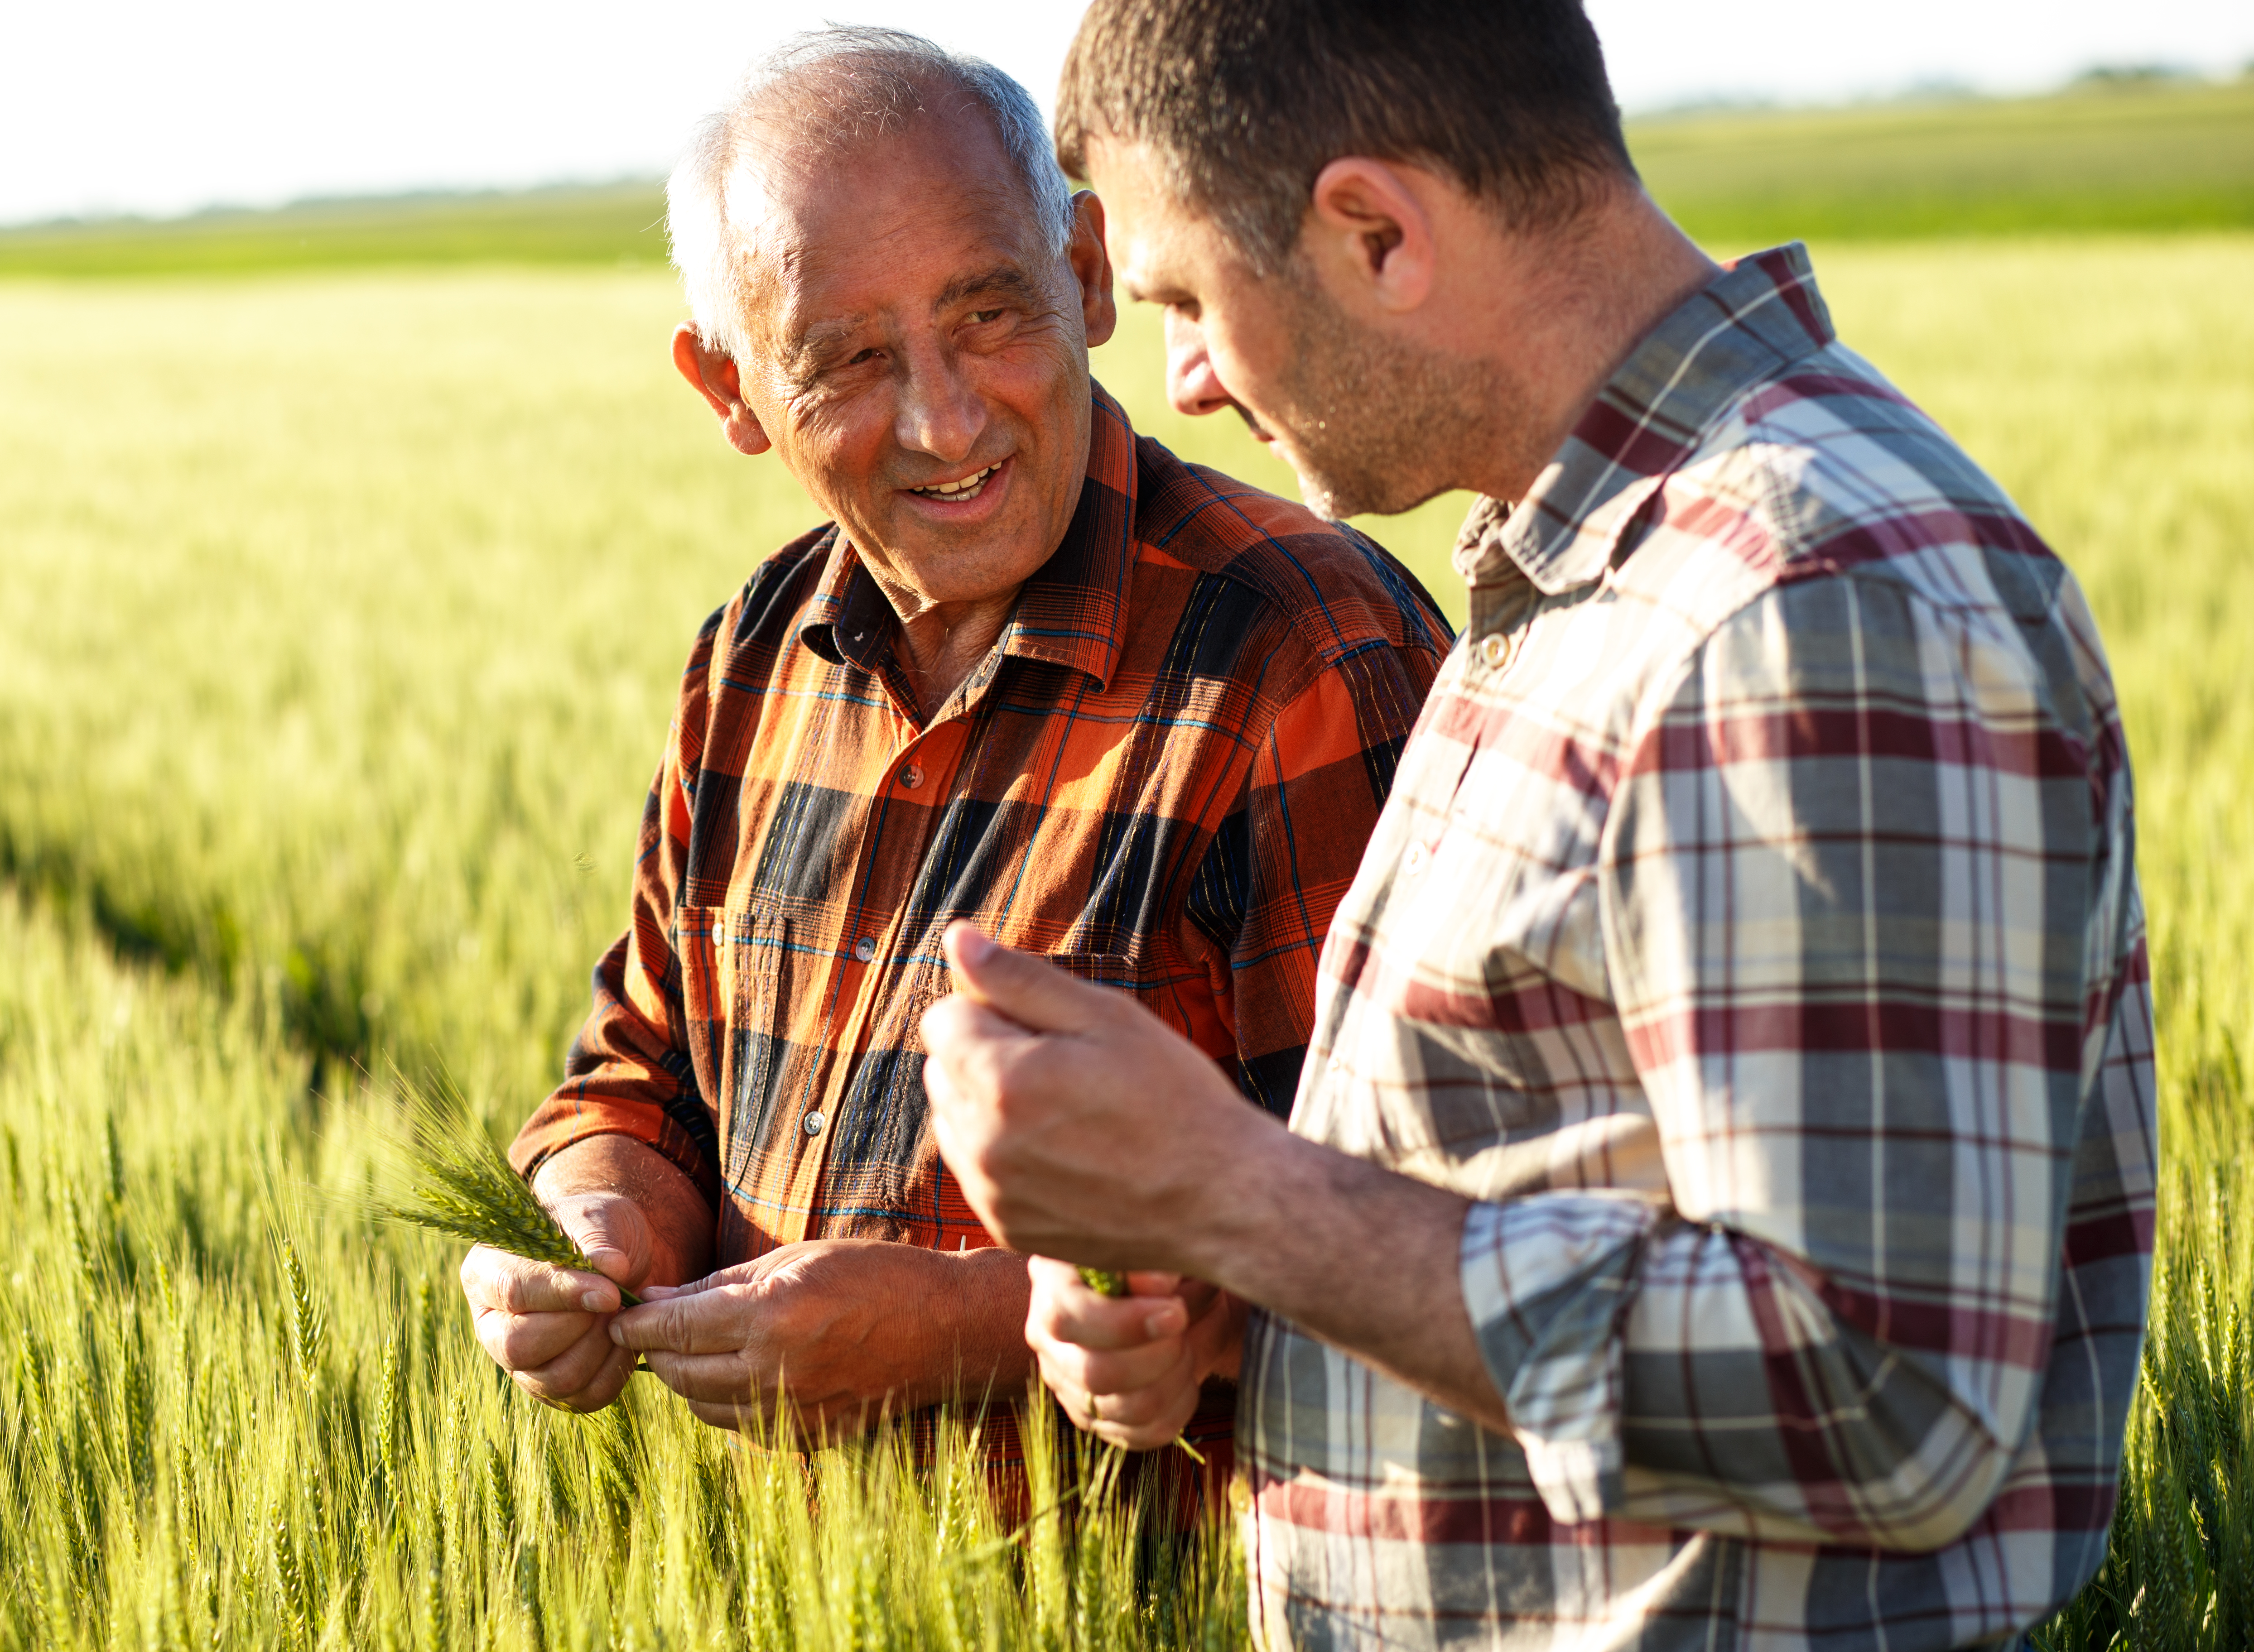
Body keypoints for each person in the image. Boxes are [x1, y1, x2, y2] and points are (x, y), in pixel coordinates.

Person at [921, 1, 2158, 1644]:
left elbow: (1883, 1393)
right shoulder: (1592, 569)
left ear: (1377, 232)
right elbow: (1578, 1172)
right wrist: (1254, 1298)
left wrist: (1240, 1194)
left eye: (1187, 302)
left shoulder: (1800, 604)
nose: (1187, 384)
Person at [457, 24, 1451, 1481]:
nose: (945, 418)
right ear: (727, 390)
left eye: (991, 314)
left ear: (1092, 275)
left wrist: (956, 1330)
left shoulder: (1301, 657)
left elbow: (1424, 1243)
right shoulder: (753, 654)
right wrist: (597, 1227)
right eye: (850, 360)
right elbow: (643, 1072)